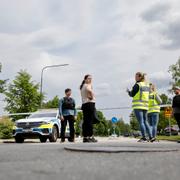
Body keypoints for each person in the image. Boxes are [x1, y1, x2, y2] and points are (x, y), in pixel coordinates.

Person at [127, 72, 153, 142]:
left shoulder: (137, 85)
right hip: (145, 106)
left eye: (136, 77)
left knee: (141, 122)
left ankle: (144, 137)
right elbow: (150, 94)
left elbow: (132, 94)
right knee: (145, 121)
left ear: (139, 77)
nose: (135, 78)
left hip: (138, 105)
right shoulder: (147, 85)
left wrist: (128, 92)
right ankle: (151, 137)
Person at [80, 74, 98, 143]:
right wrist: (91, 96)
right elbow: (88, 90)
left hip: (84, 105)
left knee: (86, 121)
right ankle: (90, 137)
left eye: (91, 78)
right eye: (88, 78)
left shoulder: (82, 86)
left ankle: (85, 137)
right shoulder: (87, 85)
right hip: (90, 104)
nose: (90, 80)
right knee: (90, 121)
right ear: (85, 79)